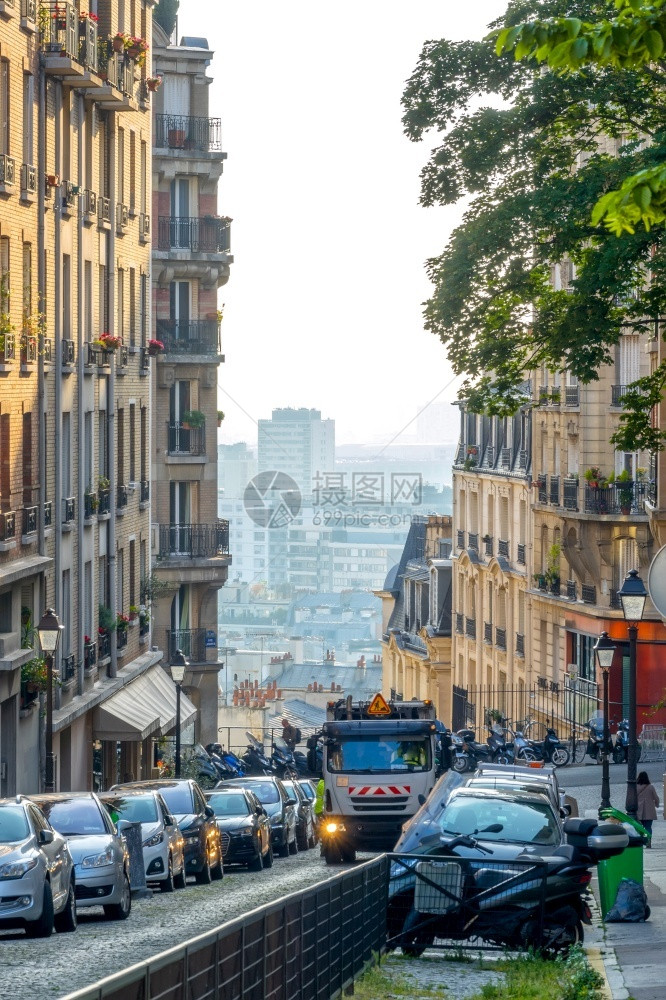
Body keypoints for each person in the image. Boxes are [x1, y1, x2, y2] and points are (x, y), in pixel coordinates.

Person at [637, 771, 659, 847]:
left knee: (639, 827)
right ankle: (648, 841)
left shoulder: (635, 787)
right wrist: (657, 804)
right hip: (649, 810)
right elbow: (656, 797)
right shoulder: (650, 787)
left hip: (639, 810)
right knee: (648, 827)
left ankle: (641, 841)